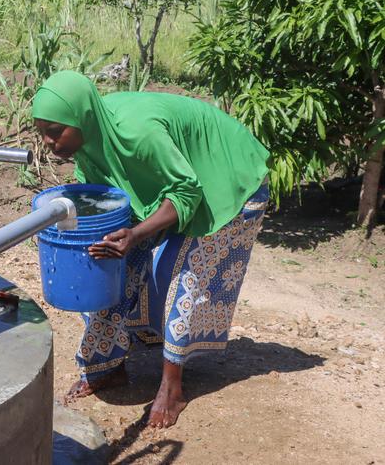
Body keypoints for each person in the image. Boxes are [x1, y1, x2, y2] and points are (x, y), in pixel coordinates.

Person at [32, 70, 270, 428]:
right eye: (42, 132)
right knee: (112, 266)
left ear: (82, 118)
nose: (48, 142)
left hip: (225, 178)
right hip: (177, 184)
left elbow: (188, 191)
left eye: (54, 132)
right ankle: (106, 367)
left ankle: (172, 387)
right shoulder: (91, 140)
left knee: (181, 276)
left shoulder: (138, 133)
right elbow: (107, 197)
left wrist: (137, 234)